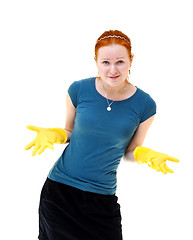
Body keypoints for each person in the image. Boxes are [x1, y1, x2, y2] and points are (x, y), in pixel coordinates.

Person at [25, 30, 179, 240]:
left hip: (101, 199)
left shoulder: (145, 105)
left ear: (131, 60)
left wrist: (144, 155)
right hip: (59, 193)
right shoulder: (79, 90)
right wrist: (54, 135)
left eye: (120, 62)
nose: (113, 69)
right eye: (106, 62)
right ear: (96, 61)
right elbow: (69, 131)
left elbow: (130, 152)